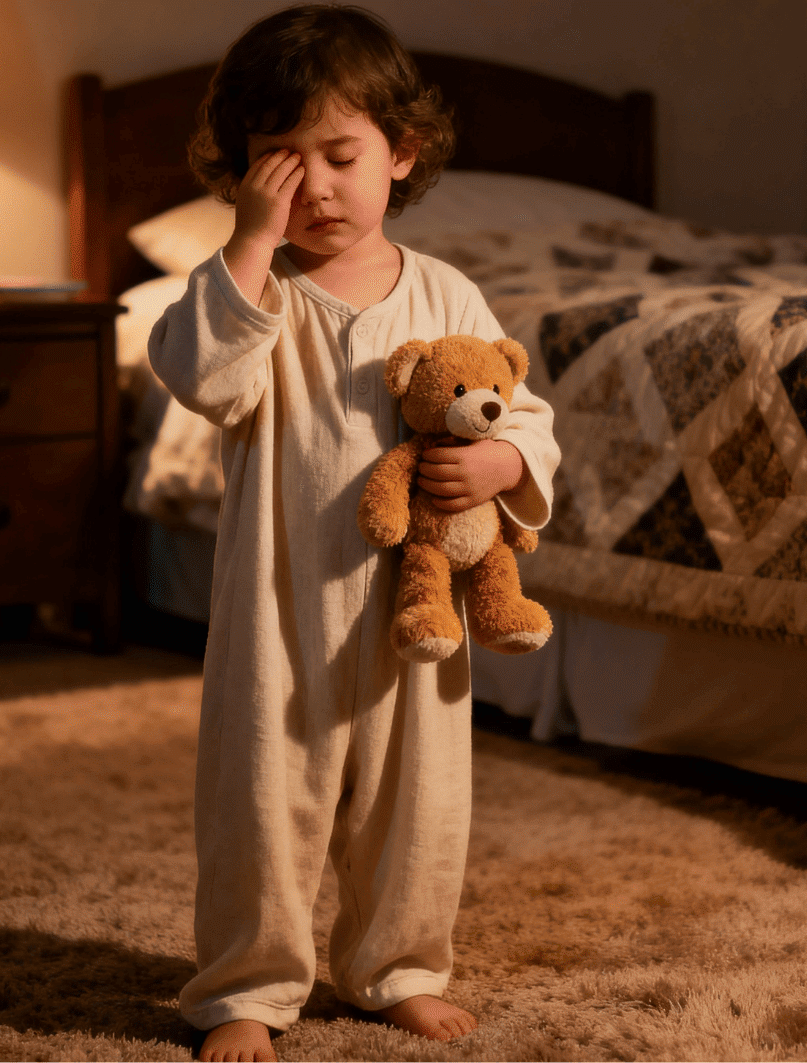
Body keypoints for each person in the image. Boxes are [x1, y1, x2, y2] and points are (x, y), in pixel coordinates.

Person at [148, 6, 559, 1062]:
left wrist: (504, 465)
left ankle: (398, 965)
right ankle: (247, 983)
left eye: (340, 155)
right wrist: (246, 241)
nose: (316, 186)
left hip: (416, 619)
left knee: (418, 806)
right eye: (279, 163)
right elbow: (198, 374)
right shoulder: (251, 294)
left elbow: (518, 411)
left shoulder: (446, 290)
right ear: (240, 172)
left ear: (402, 152)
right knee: (260, 807)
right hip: (277, 610)